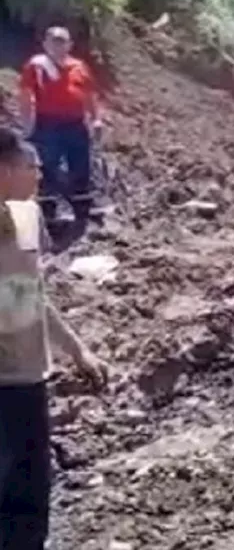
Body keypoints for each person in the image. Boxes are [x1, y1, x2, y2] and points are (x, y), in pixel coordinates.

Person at [0, 127, 108, 548]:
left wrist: (78, 350)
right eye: (32, 168)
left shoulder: (28, 219)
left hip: (29, 380)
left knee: (31, 495)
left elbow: (33, 295)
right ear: (5, 170)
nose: (39, 176)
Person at [17, 26, 102, 228]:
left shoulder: (80, 67)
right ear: (45, 44)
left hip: (75, 124)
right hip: (47, 125)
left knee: (81, 166)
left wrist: (97, 119)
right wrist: (27, 124)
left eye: (62, 41)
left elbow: (90, 96)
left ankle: (82, 215)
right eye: (53, 40)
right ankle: (48, 217)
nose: (58, 44)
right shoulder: (36, 66)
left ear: (70, 44)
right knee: (47, 169)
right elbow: (25, 96)